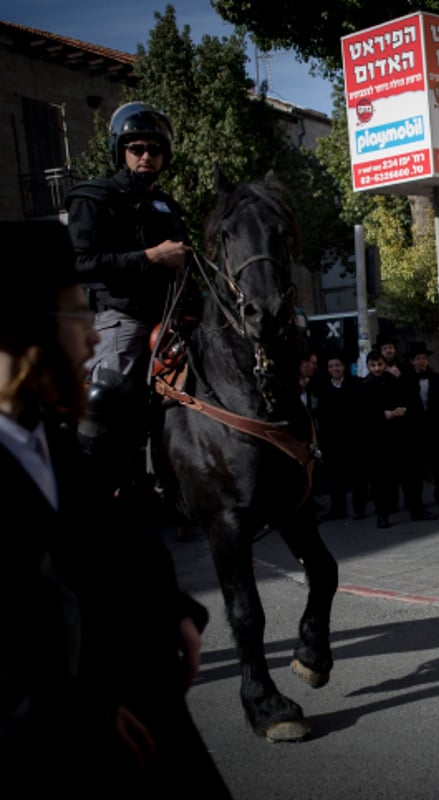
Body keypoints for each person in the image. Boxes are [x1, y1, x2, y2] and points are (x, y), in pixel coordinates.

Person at [0, 220, 231, 797]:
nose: (93, 340)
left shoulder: (52, 444)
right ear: (25, 333)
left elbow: (116, 542)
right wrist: (75, 715)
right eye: (78, 316)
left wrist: (174, 609)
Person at [65, 102, 189, 487]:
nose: (146, 156)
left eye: (154, 149)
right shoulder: (94, 197)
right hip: (124, 317)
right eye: (137, 148)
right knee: (107, 393)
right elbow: (80, 262)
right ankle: (89, 487)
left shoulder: (169, 207)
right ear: (121, 151)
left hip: (175, 317)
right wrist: (151, 257)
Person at [315, 353, 368, 521]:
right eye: (331, 366)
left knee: (357, 475)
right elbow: (322, 414)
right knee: (335, 476)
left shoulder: (355, 384)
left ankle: (359, 508)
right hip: (333, 440)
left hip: (353, 438)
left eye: (337, 365)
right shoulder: (323, 388)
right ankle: (338, 508)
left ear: (343, 367)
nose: (335, 369)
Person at [360, 349, 406, 529]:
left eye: (380, 364)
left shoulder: (391, 381)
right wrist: (384, 414)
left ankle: (393, 505)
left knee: (394, 476)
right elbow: (363, 413)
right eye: (373, 365)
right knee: (379, 479)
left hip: (394, 435)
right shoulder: (365, 385)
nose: (377, 368)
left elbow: (403, 399)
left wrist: (400, 410)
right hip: (376, 439)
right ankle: (382, 514)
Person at [410, 346, 439, 508]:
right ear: (412, 361)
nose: (421, 362)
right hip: (416, 429)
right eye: (418, 359)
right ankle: (416, 502)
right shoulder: (408, 379)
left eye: (424, 359)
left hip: (436, 427)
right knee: (417, 468)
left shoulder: (436, 378)